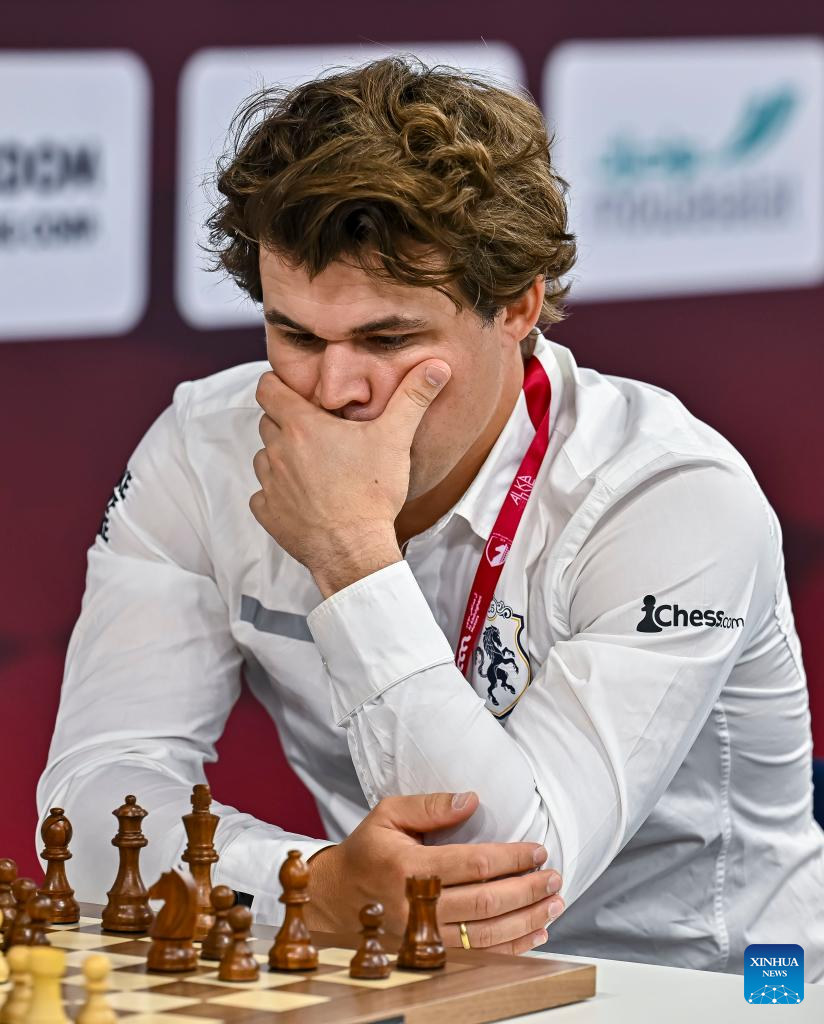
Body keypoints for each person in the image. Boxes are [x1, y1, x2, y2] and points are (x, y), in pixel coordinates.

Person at [37, 56, 824, 980]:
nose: (335, 388)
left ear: (519, 305)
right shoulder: (200, 452)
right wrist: (307, 888)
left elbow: (510, 878)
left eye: (390, 339)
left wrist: (351, 555)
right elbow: (89, 800)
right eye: (296, 335)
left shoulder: (671, 496)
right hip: (409, 976)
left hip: (714, 990)